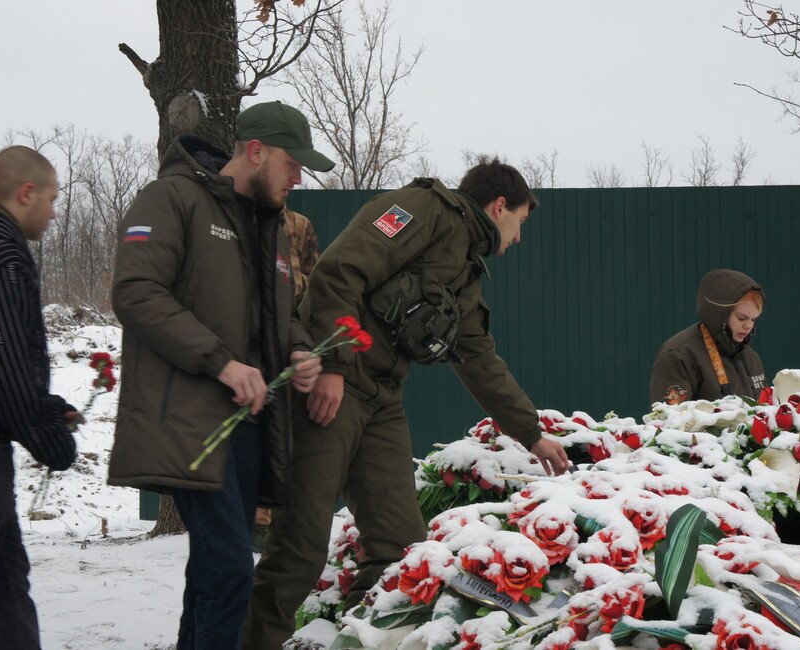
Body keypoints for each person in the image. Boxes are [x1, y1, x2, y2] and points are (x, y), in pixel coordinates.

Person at [244, 157, 571, 649]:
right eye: (520, 222)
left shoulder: (466, 268)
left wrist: (532, 433)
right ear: (499, 205)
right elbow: (339, 271)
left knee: (399, 551)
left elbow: (478, 357)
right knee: (300, 548)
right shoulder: (422, 209)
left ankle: (362, 641)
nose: (520, 236)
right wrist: (331, 364)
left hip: (382, 400)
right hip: (335, 386)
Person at [107, 101, 331, 650]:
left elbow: (280, 317)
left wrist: (300, 350)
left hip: (249, 425)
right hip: (188, 421)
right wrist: (221, 363)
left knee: (214, 573)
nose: (298, 178)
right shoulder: (171, 198)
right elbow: (136, 292)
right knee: (230, 569)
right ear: (256, 151)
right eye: (292, 164)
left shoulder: (270, 226)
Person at [0, 146, 77, 648]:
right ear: (26, 193)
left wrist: (46, 408)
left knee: (5, 598)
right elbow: (1, 362)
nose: (53, 213)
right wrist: (46, 435)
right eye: (51, 199)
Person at [252, 209, 322, 552]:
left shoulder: (299, 224)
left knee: (289, 428)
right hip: (255, 335)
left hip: (294, 334)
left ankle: (280, 517)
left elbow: (316, 275)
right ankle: (259, 520)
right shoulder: (244, 215)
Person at [649, 268, 766, 405]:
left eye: (753, 319)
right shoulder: (679, 355)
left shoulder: (750, 357)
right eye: (741, 318)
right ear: (721, 313)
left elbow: (763, 410)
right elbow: (669, 416)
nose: (748, 326)